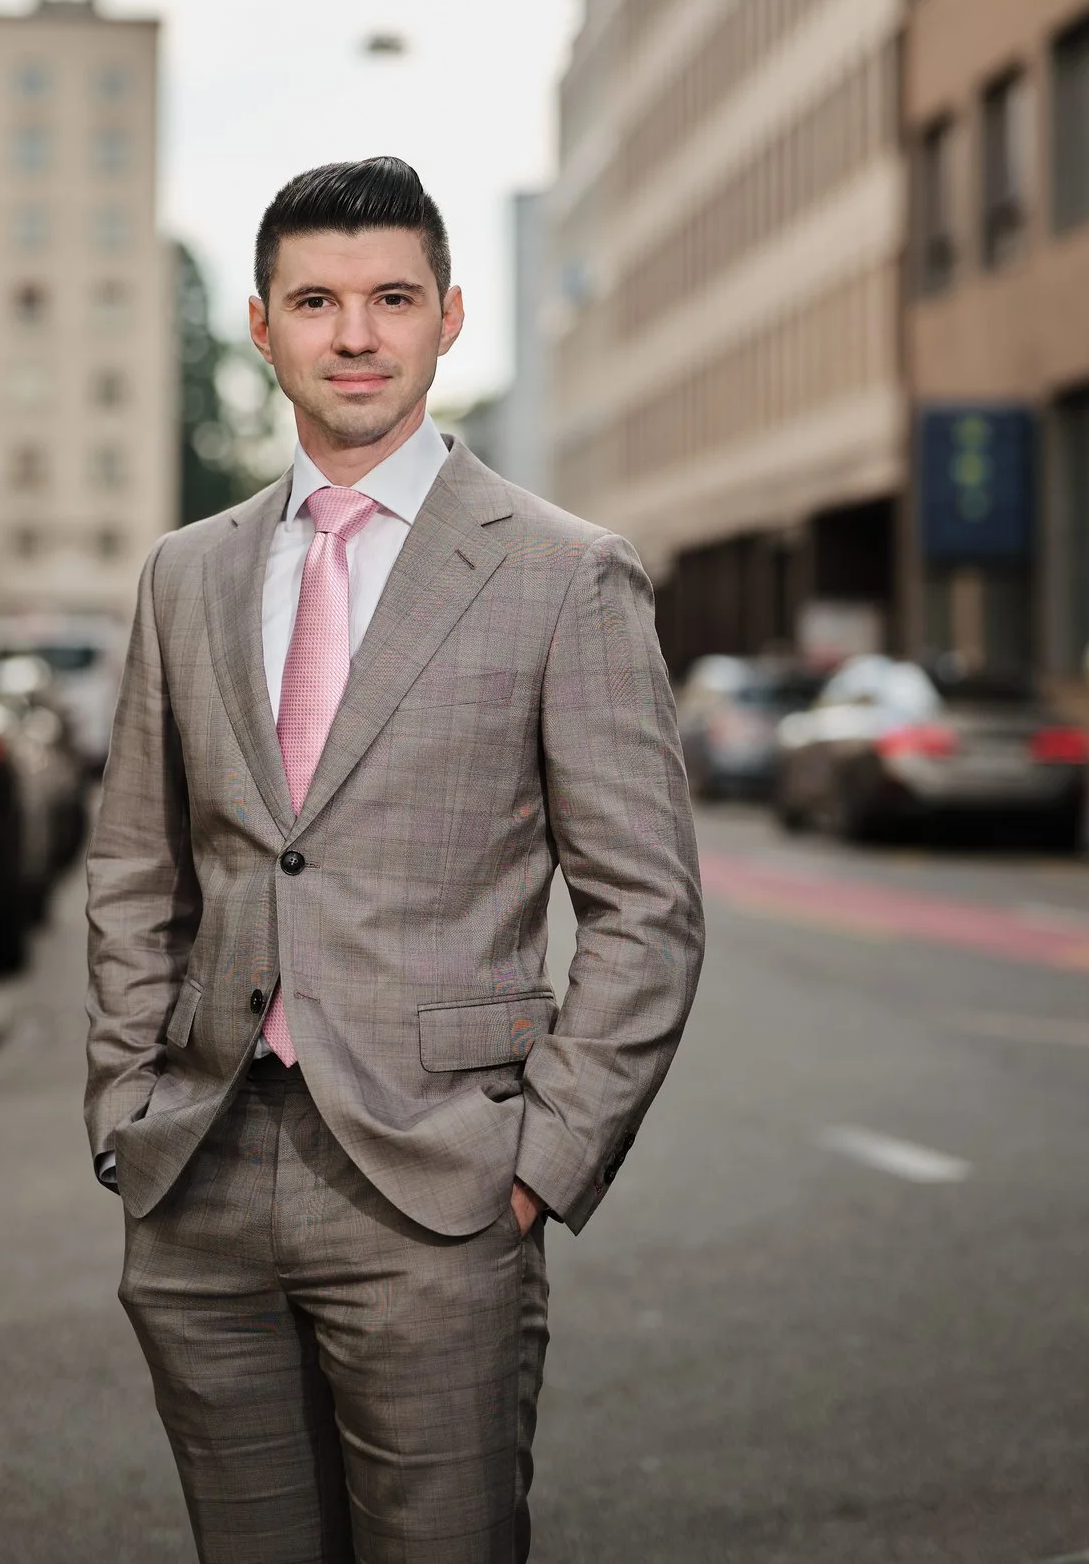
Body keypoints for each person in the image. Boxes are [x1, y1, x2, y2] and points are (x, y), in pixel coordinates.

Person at [84, 156, 704, 1563]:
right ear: (262, 327)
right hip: (202, 1174)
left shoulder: (563, 572)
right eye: (316, 299)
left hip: (442, 1187)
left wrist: (543, 1158)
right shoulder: (186, 574)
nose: (354, 332)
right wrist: (125, 1100)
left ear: (447, 316)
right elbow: (136, 868)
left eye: (389, 298)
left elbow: (648, 909)